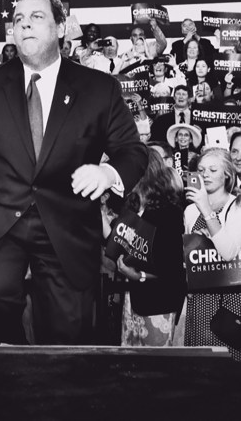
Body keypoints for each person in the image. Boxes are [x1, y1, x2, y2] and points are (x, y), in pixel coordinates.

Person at [0, 0, 148, 345]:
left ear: (61, 28)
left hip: (66, 223)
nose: (25, 25)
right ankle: (11, 371)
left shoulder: (99, 89)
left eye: (36, 17)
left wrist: (108, 173)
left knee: (68, 332)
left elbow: (132, 152)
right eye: (18, 20)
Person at [183, 147, 241, 358]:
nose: (205, 174)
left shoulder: (239, 206)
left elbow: (228, 252)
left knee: (234, 368)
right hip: (200, 299)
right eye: (202, 169)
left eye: (213, 170)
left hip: (232, 300)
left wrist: (207, 211)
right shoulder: (190, 210)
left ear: (227, 175)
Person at [108, 148, 186, 347]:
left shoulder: (168, 212)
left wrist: (139, 276)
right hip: (133, 300)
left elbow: (173, 271)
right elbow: (115, 241)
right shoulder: (131, 206)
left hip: (159, 304)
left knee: (155, 368)